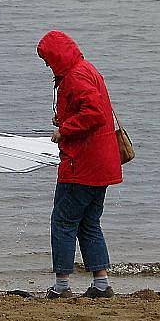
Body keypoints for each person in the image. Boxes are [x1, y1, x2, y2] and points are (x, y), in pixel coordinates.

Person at [36, 30, 122, 298]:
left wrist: (65, 129)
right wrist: (64, 118)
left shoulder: (74, 76)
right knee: (89, 222)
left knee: (62, 220)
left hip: (82, 163)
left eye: (48, 61)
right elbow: (94, 109)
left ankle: (61, 286)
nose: (48, 66)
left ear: (57, 57)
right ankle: (101, 284)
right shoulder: (87, 69)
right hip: (103, 162)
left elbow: (93, 113)